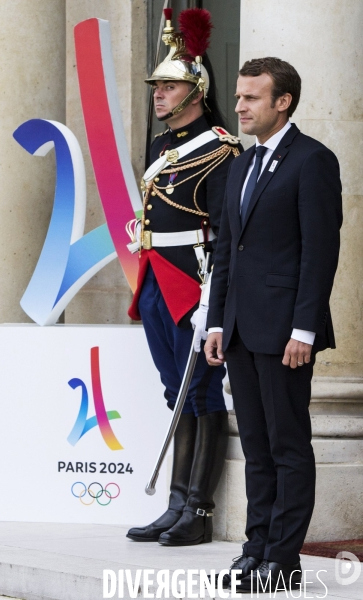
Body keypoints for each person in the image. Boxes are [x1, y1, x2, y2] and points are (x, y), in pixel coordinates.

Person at [205, 57, 342, 592]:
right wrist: (215, 321)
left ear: (282, 102)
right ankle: (255, 549)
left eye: (250, 98)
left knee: (287, 447)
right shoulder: (240, 164)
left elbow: (319, 253)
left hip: (286, 334)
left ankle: (283, 562)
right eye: (238, 96)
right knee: (257, 449)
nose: (239, 106)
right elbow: (226, 252)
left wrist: (304, 330)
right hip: (238, 329)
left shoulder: (313, 161)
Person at [125, 8, 242, 546]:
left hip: (192, 280)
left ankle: (198, 510)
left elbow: (224, 233)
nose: (158, 93)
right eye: (157, 86)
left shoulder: (220, 148)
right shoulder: (160, 146)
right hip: (155, 277)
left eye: (169, 86)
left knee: (201, 391)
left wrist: (212, 300)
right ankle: (175, 503)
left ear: (196, 90)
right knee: (177, 392)